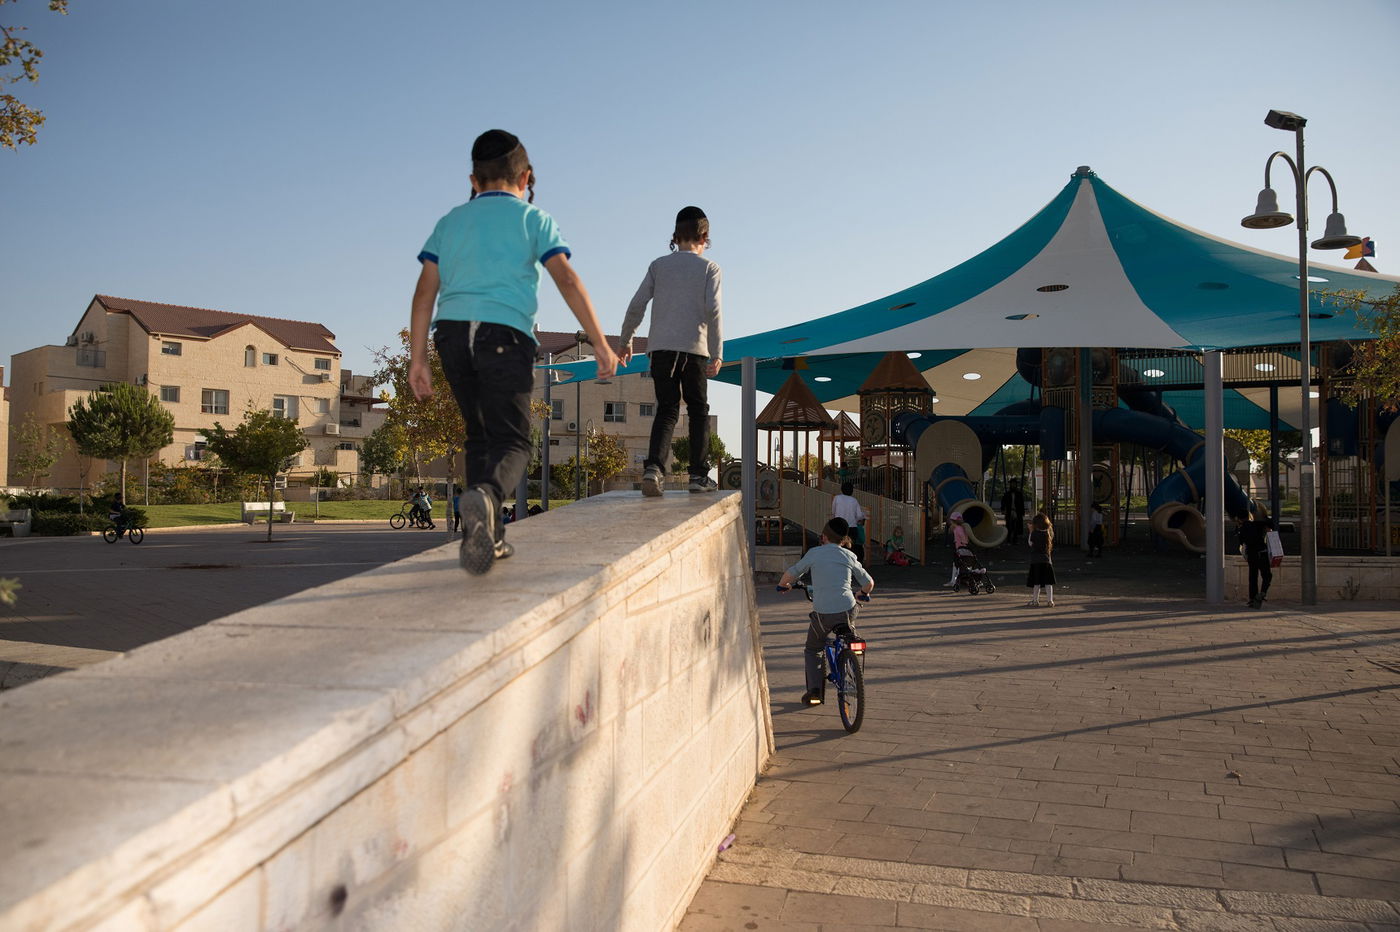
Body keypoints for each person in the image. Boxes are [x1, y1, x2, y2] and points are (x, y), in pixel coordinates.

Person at [409, 129, 617, 575]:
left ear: (473, 180)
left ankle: (485, 535)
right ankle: (486, 499)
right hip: (504, 334)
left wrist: (418, 359)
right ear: (526, 177)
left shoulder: (450, 222)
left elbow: (425, 291)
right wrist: (600, 343)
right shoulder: (533, 218)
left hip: (451, 335)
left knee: (478, 436)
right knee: (515, 441)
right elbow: (567, 280)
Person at [619, 206, 723, 496]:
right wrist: (717, 351)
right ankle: (698, 476)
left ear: (675, 237)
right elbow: (714, 311)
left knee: (666, 409)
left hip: (661, 351)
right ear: (705, 237)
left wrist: (626, 340)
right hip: (694, 351)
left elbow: (636, 305)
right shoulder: (709, 268)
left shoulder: (658, 266)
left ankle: (653, 469)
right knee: (698, 410)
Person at [777, 517, 875, 706]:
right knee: (849, 627)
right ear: (843, 539)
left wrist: (783, 585)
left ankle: (815, 692)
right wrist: (863, 593)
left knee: (813, 648)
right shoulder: (848, 555)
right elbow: (869, 583)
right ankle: (850, 652)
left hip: (823, 614)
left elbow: (792, 572)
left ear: (823, 536)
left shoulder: (814, 553)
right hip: (847, 609)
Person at [1236, 510, 1275, 609]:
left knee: (1253, 577)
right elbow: (1271, 524)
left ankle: (1252, 599)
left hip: (1252, 555)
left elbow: (1241, 542)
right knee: (1267, 575)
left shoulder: (1242, 528)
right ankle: (1263, 592)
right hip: (1262, 553)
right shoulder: (1259, 524)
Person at [831, 482, 868, 564]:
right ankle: (850, 565)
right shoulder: (854, 500)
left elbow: (833, 512)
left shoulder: (837, 498)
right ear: (852, 491)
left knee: (839, 547)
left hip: (839, 527)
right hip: (852, 528)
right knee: (851, 549)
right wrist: (861, 516)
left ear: (841, 489)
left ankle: (839, 565)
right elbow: (859, 515)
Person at [1026, 512, 1056, 607]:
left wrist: (1030, 531)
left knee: (1037, 583)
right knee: (1048, 583)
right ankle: (1050, 601)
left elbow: (1030, 543)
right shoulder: (1047, 534)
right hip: (1046, 561)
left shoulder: (1034, 533)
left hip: (1036, 562)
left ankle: (1035, 600)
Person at [943, 512, 970, 587]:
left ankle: (954, 581)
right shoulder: (961, 528)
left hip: (960, 549)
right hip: (963, 549)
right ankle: (955, 580)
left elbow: (963, 539)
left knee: (956, 564)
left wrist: (962, 544)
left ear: (953, 521)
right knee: (957, 564)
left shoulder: (957, 529)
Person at [1001, 478, 1026, 546]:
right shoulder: (1007, 494)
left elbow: (1022, 503)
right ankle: (1008, 540)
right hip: (1009, 511)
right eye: (1012, 484)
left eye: (1014, 484)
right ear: (1010, 485)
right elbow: (1003, 502)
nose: (1013, 485)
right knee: (1009, 526)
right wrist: (1003, 509)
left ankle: (1015, 540)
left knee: (1016, 526)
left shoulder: (1019, 494)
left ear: (1016, 485)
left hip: (1017, 512)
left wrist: (1022, 512)